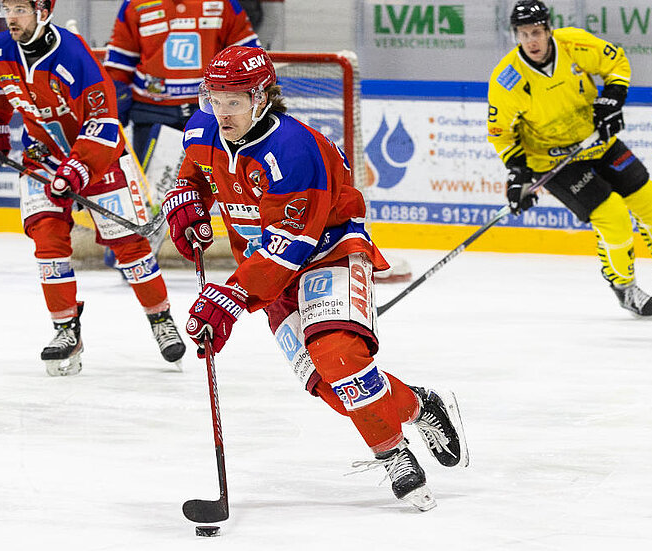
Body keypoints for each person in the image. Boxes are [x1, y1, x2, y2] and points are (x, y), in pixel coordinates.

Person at [162, 46, 468, 511]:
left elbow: (290, 243)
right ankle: (419, 405)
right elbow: (197, 171)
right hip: (263, 268)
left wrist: (230, 298)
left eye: (235, 100)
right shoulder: (202, 130)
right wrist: (186, 197)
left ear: (263, 97)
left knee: (340, 359)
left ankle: (392, 456)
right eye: (214, 99)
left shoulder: (294, 150)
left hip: (327, 252)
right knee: (326, 386)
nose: (222, 112)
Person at [0, 0, 187, 376]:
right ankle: (66, 329)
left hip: (97, 157)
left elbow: (104, 123)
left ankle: (160, 319)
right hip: (43, 158)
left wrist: (78, 169)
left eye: (20, 8)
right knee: (47, 243)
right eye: (7, 7)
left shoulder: (74, 55)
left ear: (43, 11)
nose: (11, 17)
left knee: (130, 247)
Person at [487, 0, 652, 319]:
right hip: (553, 161)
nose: (531, 41)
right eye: (523, 34)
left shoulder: (574, 43)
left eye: (536, 32)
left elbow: (616, 62)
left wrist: (612, 100)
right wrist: (518, 175)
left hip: (598, 143)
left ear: (549, 29)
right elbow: (501, 134)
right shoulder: (506, 80)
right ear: (515, 36)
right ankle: (625, 288)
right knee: (615, 220)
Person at [102, 0, 260, 159]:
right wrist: (112, 116)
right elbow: (119, 64)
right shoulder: (134, 4)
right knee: (153, 183)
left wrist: (258, 107)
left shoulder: (224, 3)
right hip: (151, 114)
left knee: (214, 181)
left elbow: (250, 58)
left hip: (211, 113)